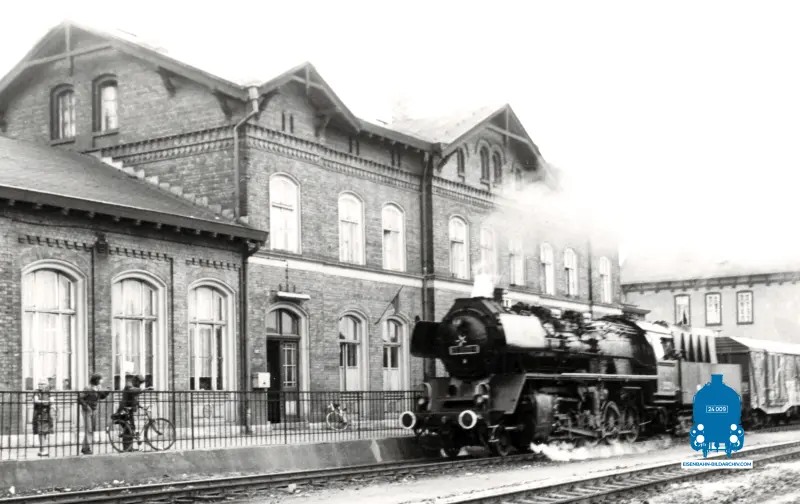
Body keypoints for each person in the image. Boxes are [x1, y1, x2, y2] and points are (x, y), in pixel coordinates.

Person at [114, 374, 152, 451]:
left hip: (129, 411)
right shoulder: (129, 385)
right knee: (128, 430)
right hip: (124, 410)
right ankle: (126, 448)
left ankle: (129, 448)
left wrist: (141, 407)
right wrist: (144, 389)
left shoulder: (135, 387)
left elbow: (134, 400)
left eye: (141, 383)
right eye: (139, 382)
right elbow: (132, 390)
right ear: (135, 380)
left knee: (131, 428)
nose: (140, 384)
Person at [78, 373, 109, 455]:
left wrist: (106, 392)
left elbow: (101, 396)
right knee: (89, 429)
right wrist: (87, 407)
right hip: (87, 410)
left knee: (92, 428)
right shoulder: (88, 388)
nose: (101, 381)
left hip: (94, 410)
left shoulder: (98, 387)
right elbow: (80, 398)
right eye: (100, 379)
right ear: (96, 380)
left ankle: (84, 448)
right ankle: (88, 448)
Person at [32, 378, 55, 457]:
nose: (40, 385)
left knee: (44, 432)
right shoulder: (36, 392)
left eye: (42, 384)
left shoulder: (48, 392)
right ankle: (43, 450)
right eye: (39, 384)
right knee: (41, 431)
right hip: (39, 414)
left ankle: (42, 450)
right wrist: (46, 402)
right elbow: (36, 400)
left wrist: (47, 402)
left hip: (46, 414)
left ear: (46, 385)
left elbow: (52, 401)